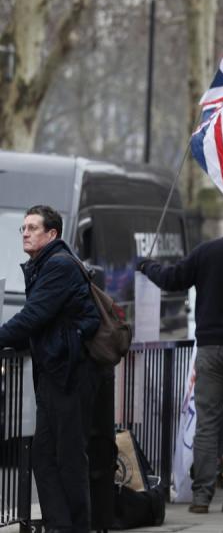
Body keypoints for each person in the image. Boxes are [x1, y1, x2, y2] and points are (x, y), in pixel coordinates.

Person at [136, 199, 223, 513]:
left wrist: (145, 264)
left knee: (207, 423)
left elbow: (171, 279)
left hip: (210, 350)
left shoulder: (208, 252)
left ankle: (202, 496)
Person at [0, 205, 101, 531]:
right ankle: (61, 526)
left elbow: (33, 317)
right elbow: (43, 323)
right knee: (44, 457)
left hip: (69, 374)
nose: (25, 233)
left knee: (68, 458)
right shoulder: (44, 265)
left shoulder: (57, 266)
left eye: (32, 227)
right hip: (54, 373)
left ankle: (75, 527)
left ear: (52, 234)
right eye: (24, 228)